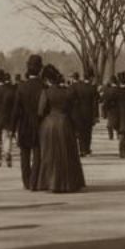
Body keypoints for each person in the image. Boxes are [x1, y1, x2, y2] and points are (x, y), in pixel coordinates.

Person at [34, 64, 85, 193]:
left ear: (47, 79)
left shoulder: (46, 92)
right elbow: (73, 110)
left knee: (50, 154)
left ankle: (51, 182)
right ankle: (69, 183)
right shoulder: (67, 92)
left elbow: (41, 111)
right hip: (64, 123)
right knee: (67, 153)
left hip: (49, 124)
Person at [11, 55, 44, 189]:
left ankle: (26, 181)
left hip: (24, 124)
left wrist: (12, 128)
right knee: (38, 154)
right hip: (39, 123)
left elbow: (16, 109)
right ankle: (34, 182)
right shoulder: (43, 86)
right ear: (40, 68)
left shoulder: (21, 87)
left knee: (24, 155)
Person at [71, 70, 99, 157]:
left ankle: (81, 149)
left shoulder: (77, 86)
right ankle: (86, 149)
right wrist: (96, 115)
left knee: (80, 132)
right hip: (88, 113)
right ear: (91, 77)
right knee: (88, 132)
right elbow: (95, 103)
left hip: (78, 113)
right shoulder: (92, 88)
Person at [102, 76, 119, 142]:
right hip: (117, 108)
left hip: (110, 108)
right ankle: (118, 135)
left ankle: (110, 136)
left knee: (110, 122)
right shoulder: (119, 89)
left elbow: (104, 99)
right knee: (117, 122)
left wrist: (105, 109)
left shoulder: (108, 90)